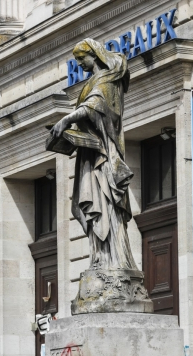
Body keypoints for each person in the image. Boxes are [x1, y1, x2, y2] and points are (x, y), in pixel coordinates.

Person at [51, 38, 136, 270]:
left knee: (105, 204)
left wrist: (67, 119)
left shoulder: (107, 79)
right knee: (94, 207)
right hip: (90, 155)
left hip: (104, 156)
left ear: (94, 55)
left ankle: (114, 261)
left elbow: (95, 105)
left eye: (81, 59)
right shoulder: (93, 81)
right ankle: (100, 258)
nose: (79, 65)